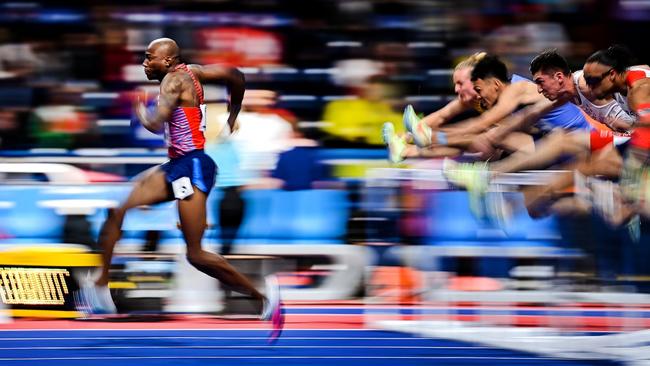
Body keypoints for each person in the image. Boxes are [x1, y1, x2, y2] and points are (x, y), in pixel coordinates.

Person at [80, 38, 284, 340]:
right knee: (117, 211)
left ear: (169, 60)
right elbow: (236, 76)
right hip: (177, 166)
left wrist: (141, 112)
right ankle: (99, 287)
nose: (145, 64)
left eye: (150, 59)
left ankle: (265, 298)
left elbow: (155, 122)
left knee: (196, 254)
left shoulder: (172, 82)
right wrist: (233, 112)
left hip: (193, 167)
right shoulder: (194, 72)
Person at [582, 45, 650, 217]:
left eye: (594, 82)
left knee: (622, 215)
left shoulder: (637, 92)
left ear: (612, 74)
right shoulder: (635, 73)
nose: (590, 89)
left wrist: (632, 180)